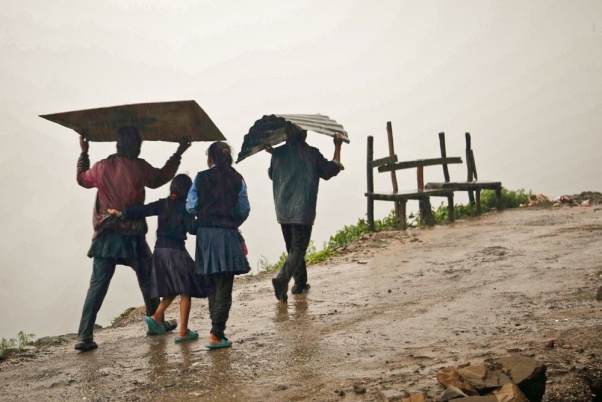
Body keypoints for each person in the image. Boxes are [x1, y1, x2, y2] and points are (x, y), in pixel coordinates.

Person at [74, 126, 190, 352]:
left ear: (118, 145)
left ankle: (83, 335)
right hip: (133, 235)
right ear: (136, 146)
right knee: (148, 278)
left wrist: (84, 152)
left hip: (106, 236)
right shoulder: (139, 167)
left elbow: (81, 179)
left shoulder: (100, 167)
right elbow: (160, 178)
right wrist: (178, 153)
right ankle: (155, 322)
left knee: (97, 286)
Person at [107, 174, 212, 343]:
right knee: (186, 290)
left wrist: (121, 213)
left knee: (172, 288)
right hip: (175, 251)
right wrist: (204, 216)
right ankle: (183, 332)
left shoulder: (163, 203)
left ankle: (156, 316)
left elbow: (143, 210)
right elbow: (192, 229)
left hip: (159, 252)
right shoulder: (185, 208)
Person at [268, 123, 344, 303]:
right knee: (298, 248)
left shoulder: (277, 154)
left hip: (283, 208)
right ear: (303, 135)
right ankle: (282, 280)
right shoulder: (311, 153)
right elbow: (329, 170)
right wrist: (337, 146)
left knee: (292, 248)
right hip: (302, 209)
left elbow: (272, 174)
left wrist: (276, 155)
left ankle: (300, 283)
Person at [186, 141, 250, 349]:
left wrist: (205, 214)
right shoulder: (237, 178)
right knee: (224, 284)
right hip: (227, 235)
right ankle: (216, 333)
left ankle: (216, 330)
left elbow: (191, 205)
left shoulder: (201, 177)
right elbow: (243, 209)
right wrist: (231, 222)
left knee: (212, 283)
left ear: (210, 159)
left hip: (205, 236)